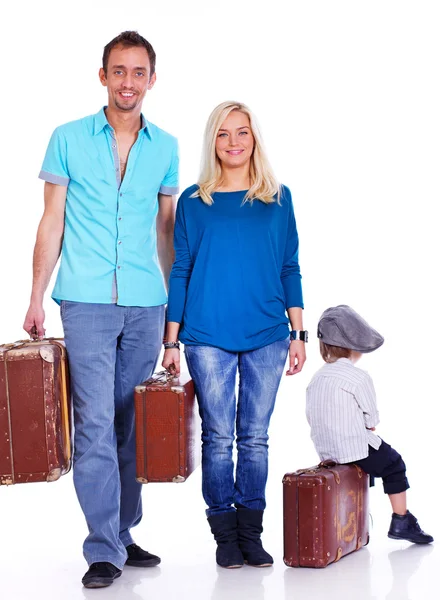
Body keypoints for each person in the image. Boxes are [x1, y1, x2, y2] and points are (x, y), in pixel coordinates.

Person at [23, 31, 179, 588]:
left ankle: (122, 530)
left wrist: (173, 315)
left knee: (131, 424)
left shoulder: (166, 147)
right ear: (103, 76)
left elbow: (166, 231)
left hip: (145, 301)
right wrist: (37, 294)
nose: (128, 82)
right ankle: (103, 548)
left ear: (152, 80)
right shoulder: (67, 138)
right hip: (85, 298)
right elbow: (52, 220)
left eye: (138, 72)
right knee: (92, 423)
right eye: (119, 71)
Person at [162, 101, 306, 569]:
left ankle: (251, 531)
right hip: (206, 335)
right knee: (218, 437)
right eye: (223, 134)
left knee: (255, 437)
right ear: (213, 142)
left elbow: (290, 268)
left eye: (242, 132)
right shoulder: (193, 200)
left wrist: (299, 332)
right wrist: (171, 341)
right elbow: (180, 269)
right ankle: (224, 533)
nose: (234, 142)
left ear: (255, 138)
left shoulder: (278, 198)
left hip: (268, 333)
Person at [306, 305, 433, 544]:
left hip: (326, 450)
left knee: (362, 467)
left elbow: (312, 415)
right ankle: (401, 519)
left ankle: (351, 521)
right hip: (354, 448)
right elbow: (372, 418)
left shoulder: (317, 378)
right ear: (354, 347)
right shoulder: (358, 377)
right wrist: (366, 424)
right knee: (394, 464)